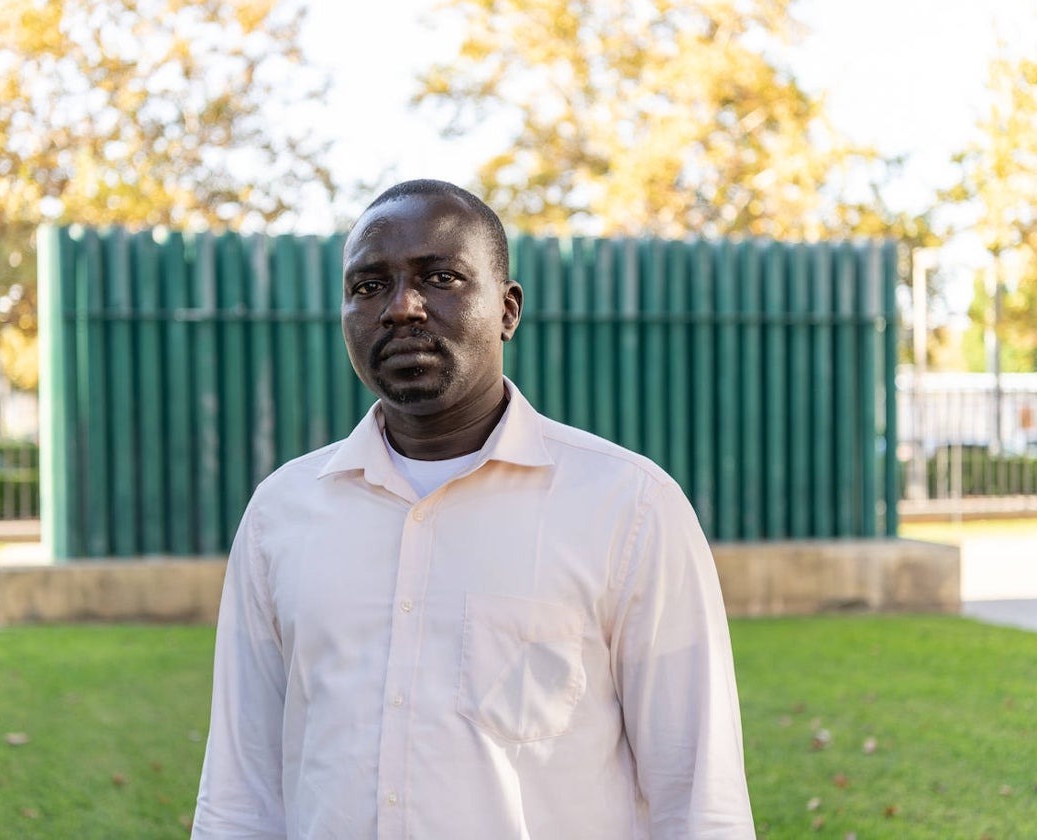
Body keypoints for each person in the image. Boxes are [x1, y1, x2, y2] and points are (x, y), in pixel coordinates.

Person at [192, 180, 755, 839]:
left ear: (508, 310)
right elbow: (242, 791)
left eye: (440, 277)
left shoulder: (628, 507)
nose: (402, 308)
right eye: (369, 287)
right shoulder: (281, 513)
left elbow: (699, 798)